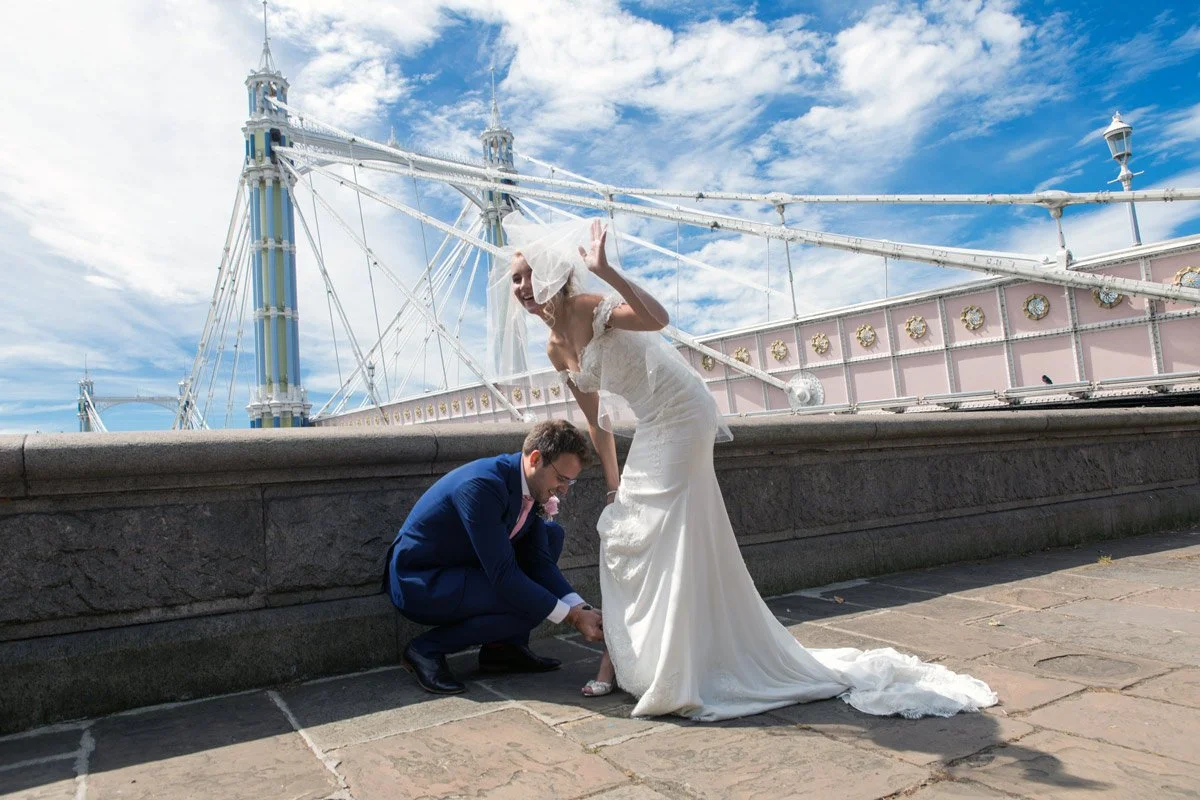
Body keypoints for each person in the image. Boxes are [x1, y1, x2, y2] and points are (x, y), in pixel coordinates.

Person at [504, 217, 997, 721]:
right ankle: (625, 662)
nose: (521, 286)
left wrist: (608, 272)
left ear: (553, 272)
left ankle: (671, 669)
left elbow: (657, 319)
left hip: (682, 410)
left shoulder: (590, 306)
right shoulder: (553, 346)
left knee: (660, 530)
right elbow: (598, 422)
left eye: (528, 273)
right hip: (652, 423)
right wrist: (613, 485)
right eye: (515, 278)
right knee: (621, 532)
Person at [384, 420, 605, 694]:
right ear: (536, 459)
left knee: (550, 536)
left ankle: (503, 648)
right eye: (561, 479)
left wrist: (581, 607)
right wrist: (570, 616)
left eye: (570, 481)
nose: (564, 490)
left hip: (466, 568)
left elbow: (539, 561)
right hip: (421, 580)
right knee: (526, 601)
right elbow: (504, 577)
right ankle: (425, 650)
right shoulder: (482, 486)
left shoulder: (530, 486)